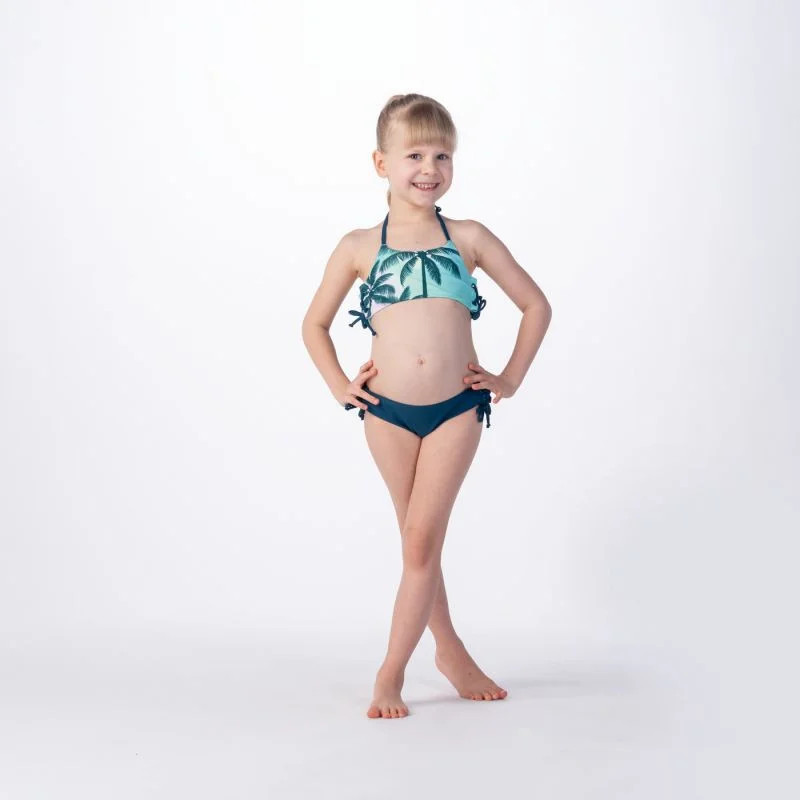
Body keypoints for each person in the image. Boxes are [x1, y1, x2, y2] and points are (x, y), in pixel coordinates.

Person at [301, 93, 552, 719]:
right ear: (381, 163)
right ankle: (450, 652)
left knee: (418, 544)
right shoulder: (360, 246)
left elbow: (536, 305)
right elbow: (314, 324)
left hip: (455, 409)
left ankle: (389, 675)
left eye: (442, 155)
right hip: (386, 413)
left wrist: (510, 377)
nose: (429, 168)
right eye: (414, 154)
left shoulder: (468, 237)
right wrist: (338, 384)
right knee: (420, 542)